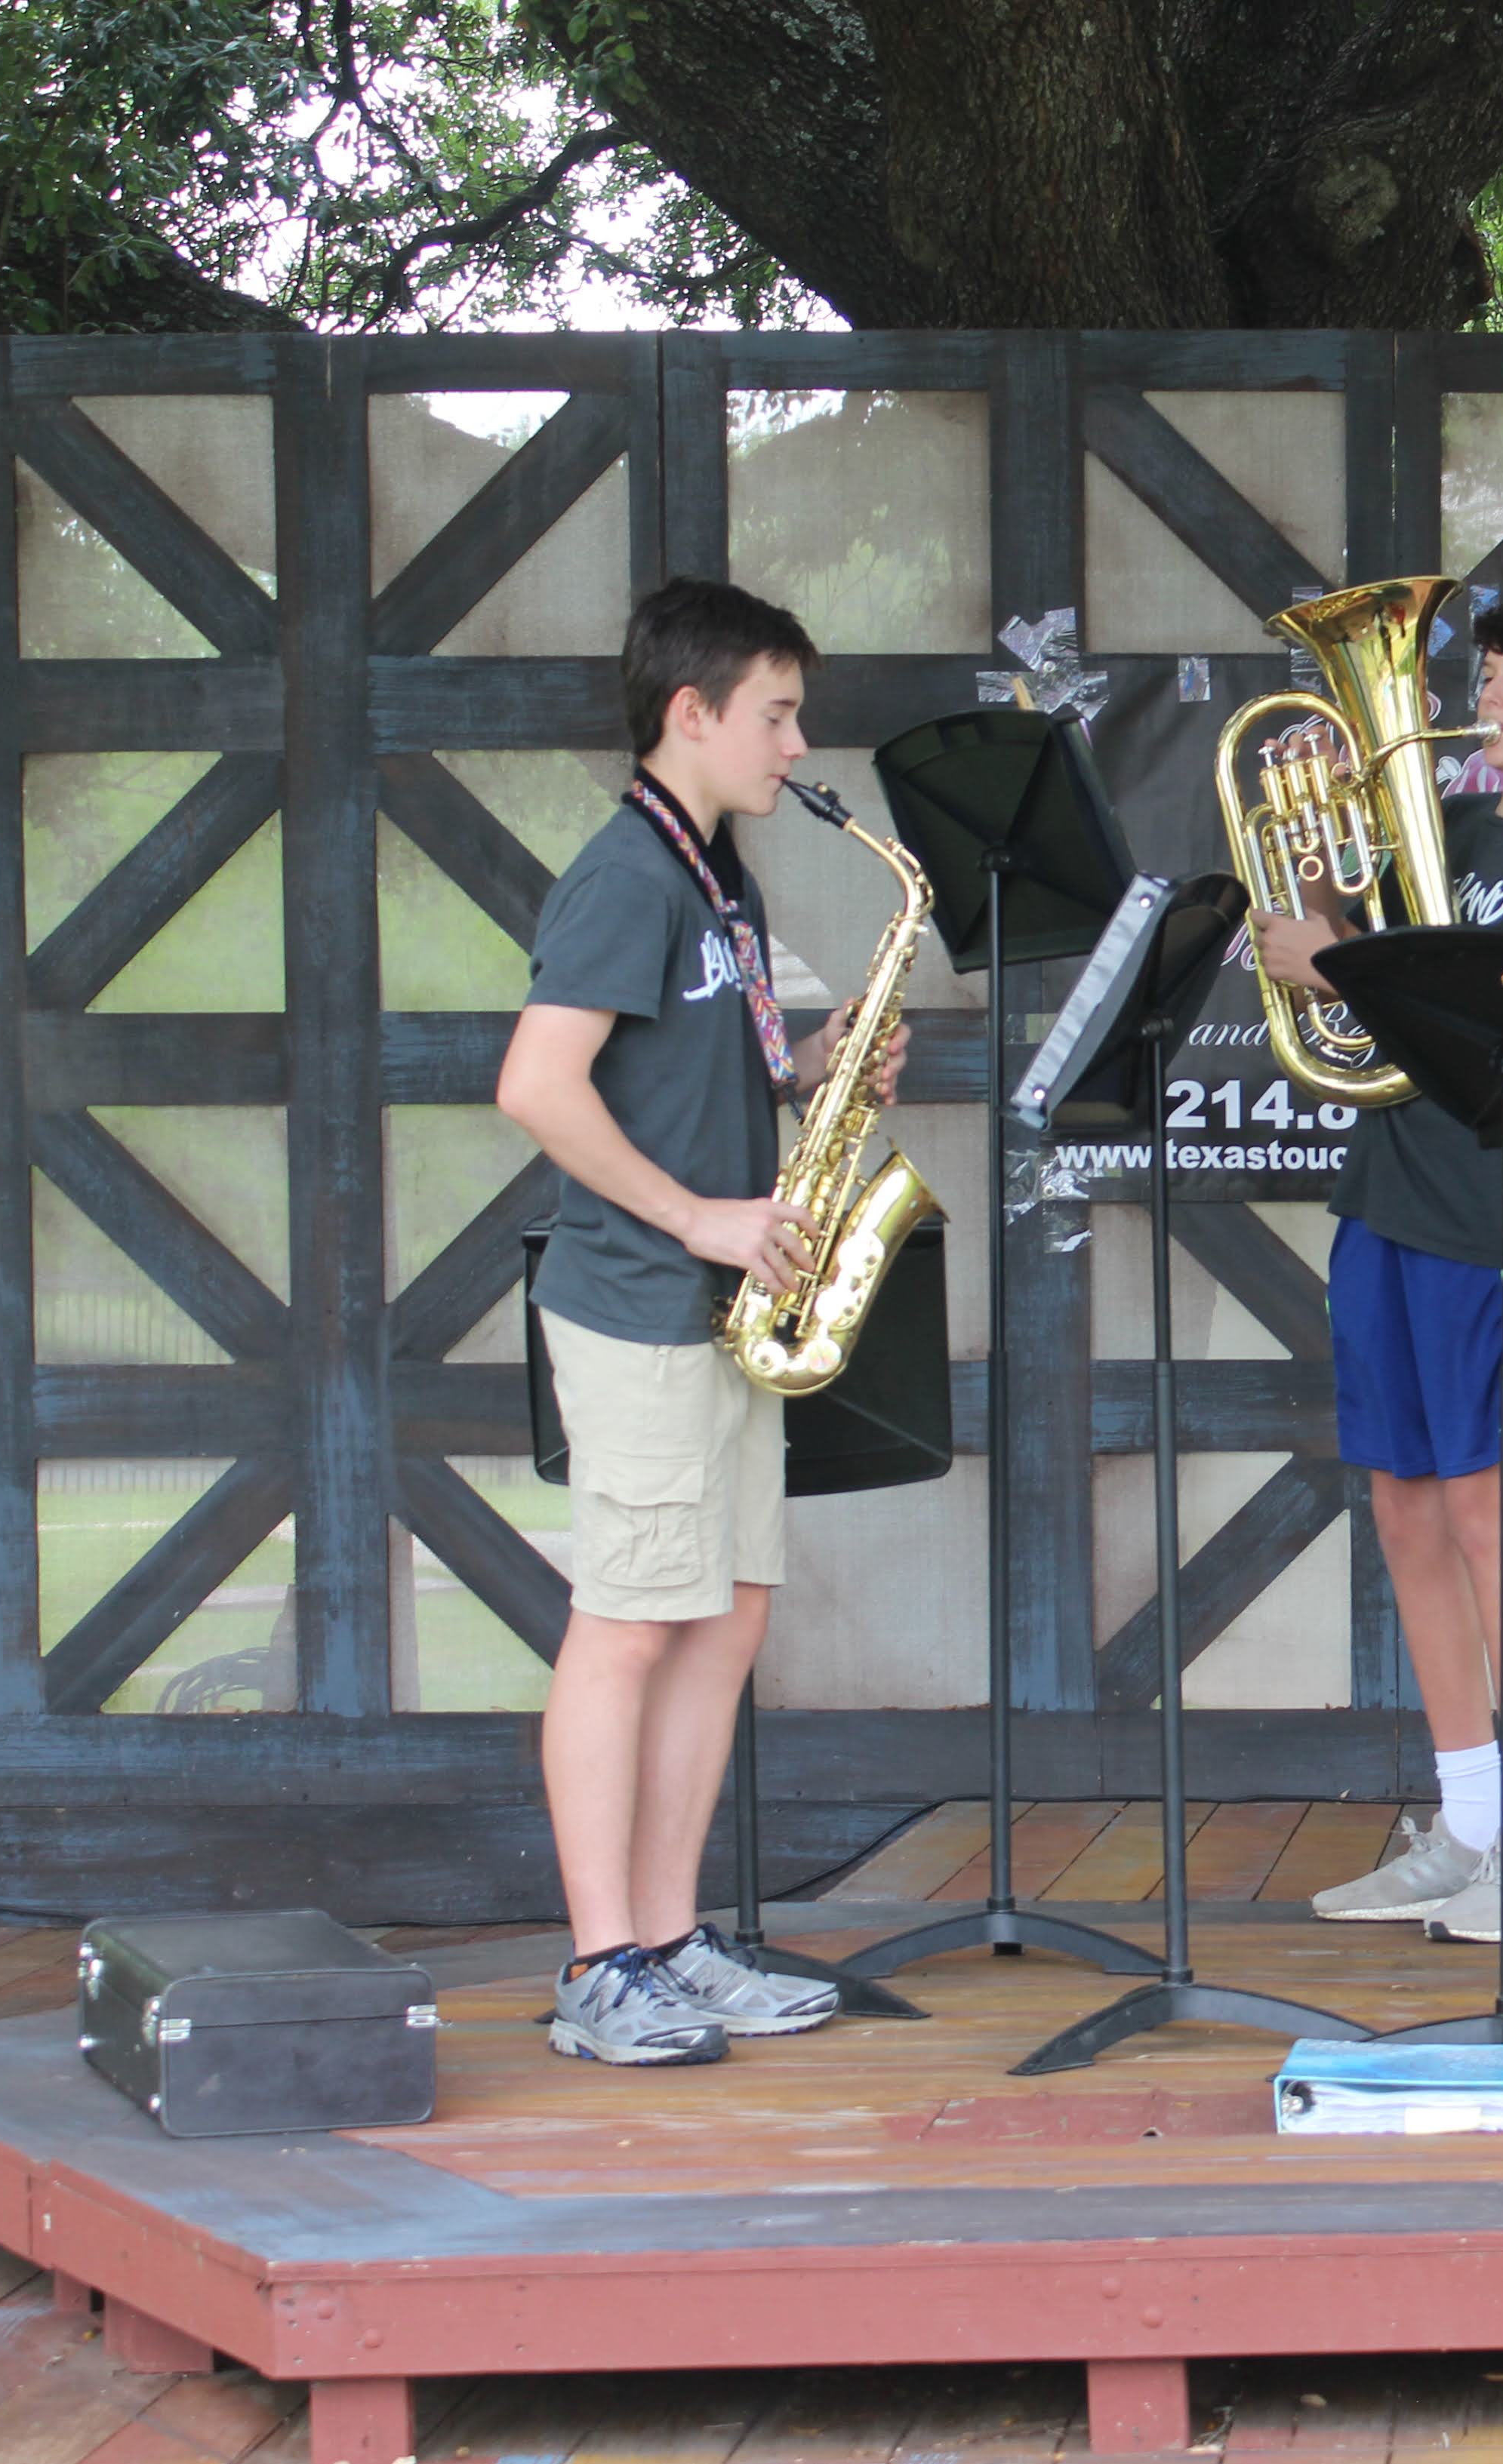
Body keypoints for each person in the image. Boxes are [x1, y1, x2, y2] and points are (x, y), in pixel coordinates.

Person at [495, 576, 903, 2067]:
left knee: (724, 1622)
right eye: (777, 713)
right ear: (695, 712)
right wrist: (698, 1217)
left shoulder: (717, 875)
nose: (796, 743)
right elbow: (537, 1087)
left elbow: (681, 1068)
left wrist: (813, 1073)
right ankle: (602, 1963)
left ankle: (668, 1936)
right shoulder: (630, 873)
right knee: (630, 1625)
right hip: (645, 1300)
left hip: (724, 1307)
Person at [1251, 591, 1503, 1945]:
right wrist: (1320, 853)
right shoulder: (1459, 823)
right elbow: (1340, 935)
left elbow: (1491, 1016)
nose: (1494, 698)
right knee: (1406, 1516)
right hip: (1383, 1197)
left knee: (1486, 1515)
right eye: (1488, 674)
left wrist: (1346, 961)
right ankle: (1467, 1821)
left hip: (1488, 1209)